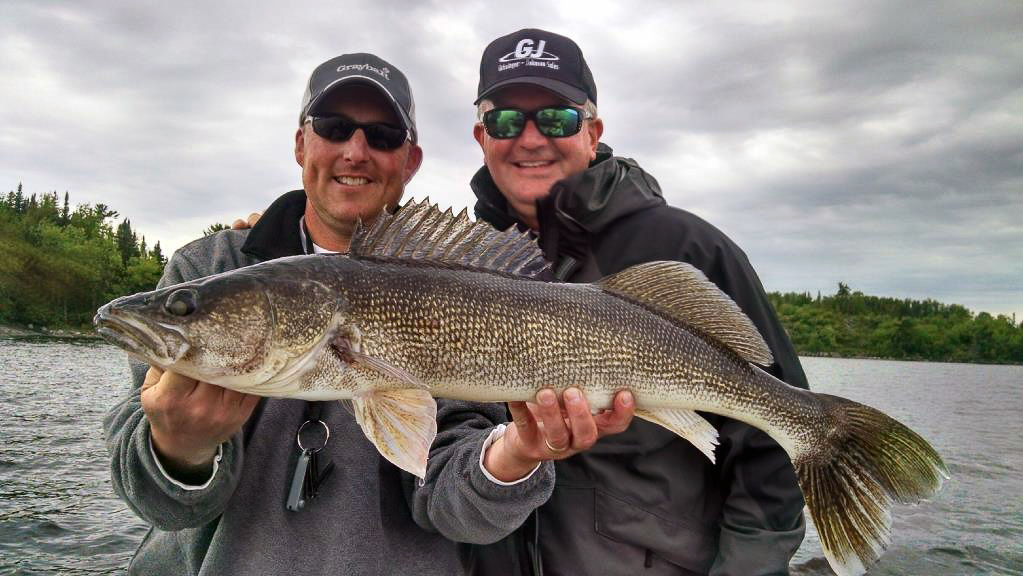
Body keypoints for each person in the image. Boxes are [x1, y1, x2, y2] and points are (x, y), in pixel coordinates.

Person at [103, 52, 598, 576]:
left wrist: (516, 455)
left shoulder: (457, 290)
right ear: (301, 144)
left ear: (410, 160)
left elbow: (454, 510)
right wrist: (178, 448)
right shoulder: (208, 266)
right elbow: (157, 506)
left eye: (383, 135)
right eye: (334, 127)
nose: (355, 151)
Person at [463, 29, 811, 576]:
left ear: (593, 130)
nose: (530, 139)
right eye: (507, 120)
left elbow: (774, 443)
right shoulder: (462, 266)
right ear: (482, 136)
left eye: (556, 118)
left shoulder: (687, 249)